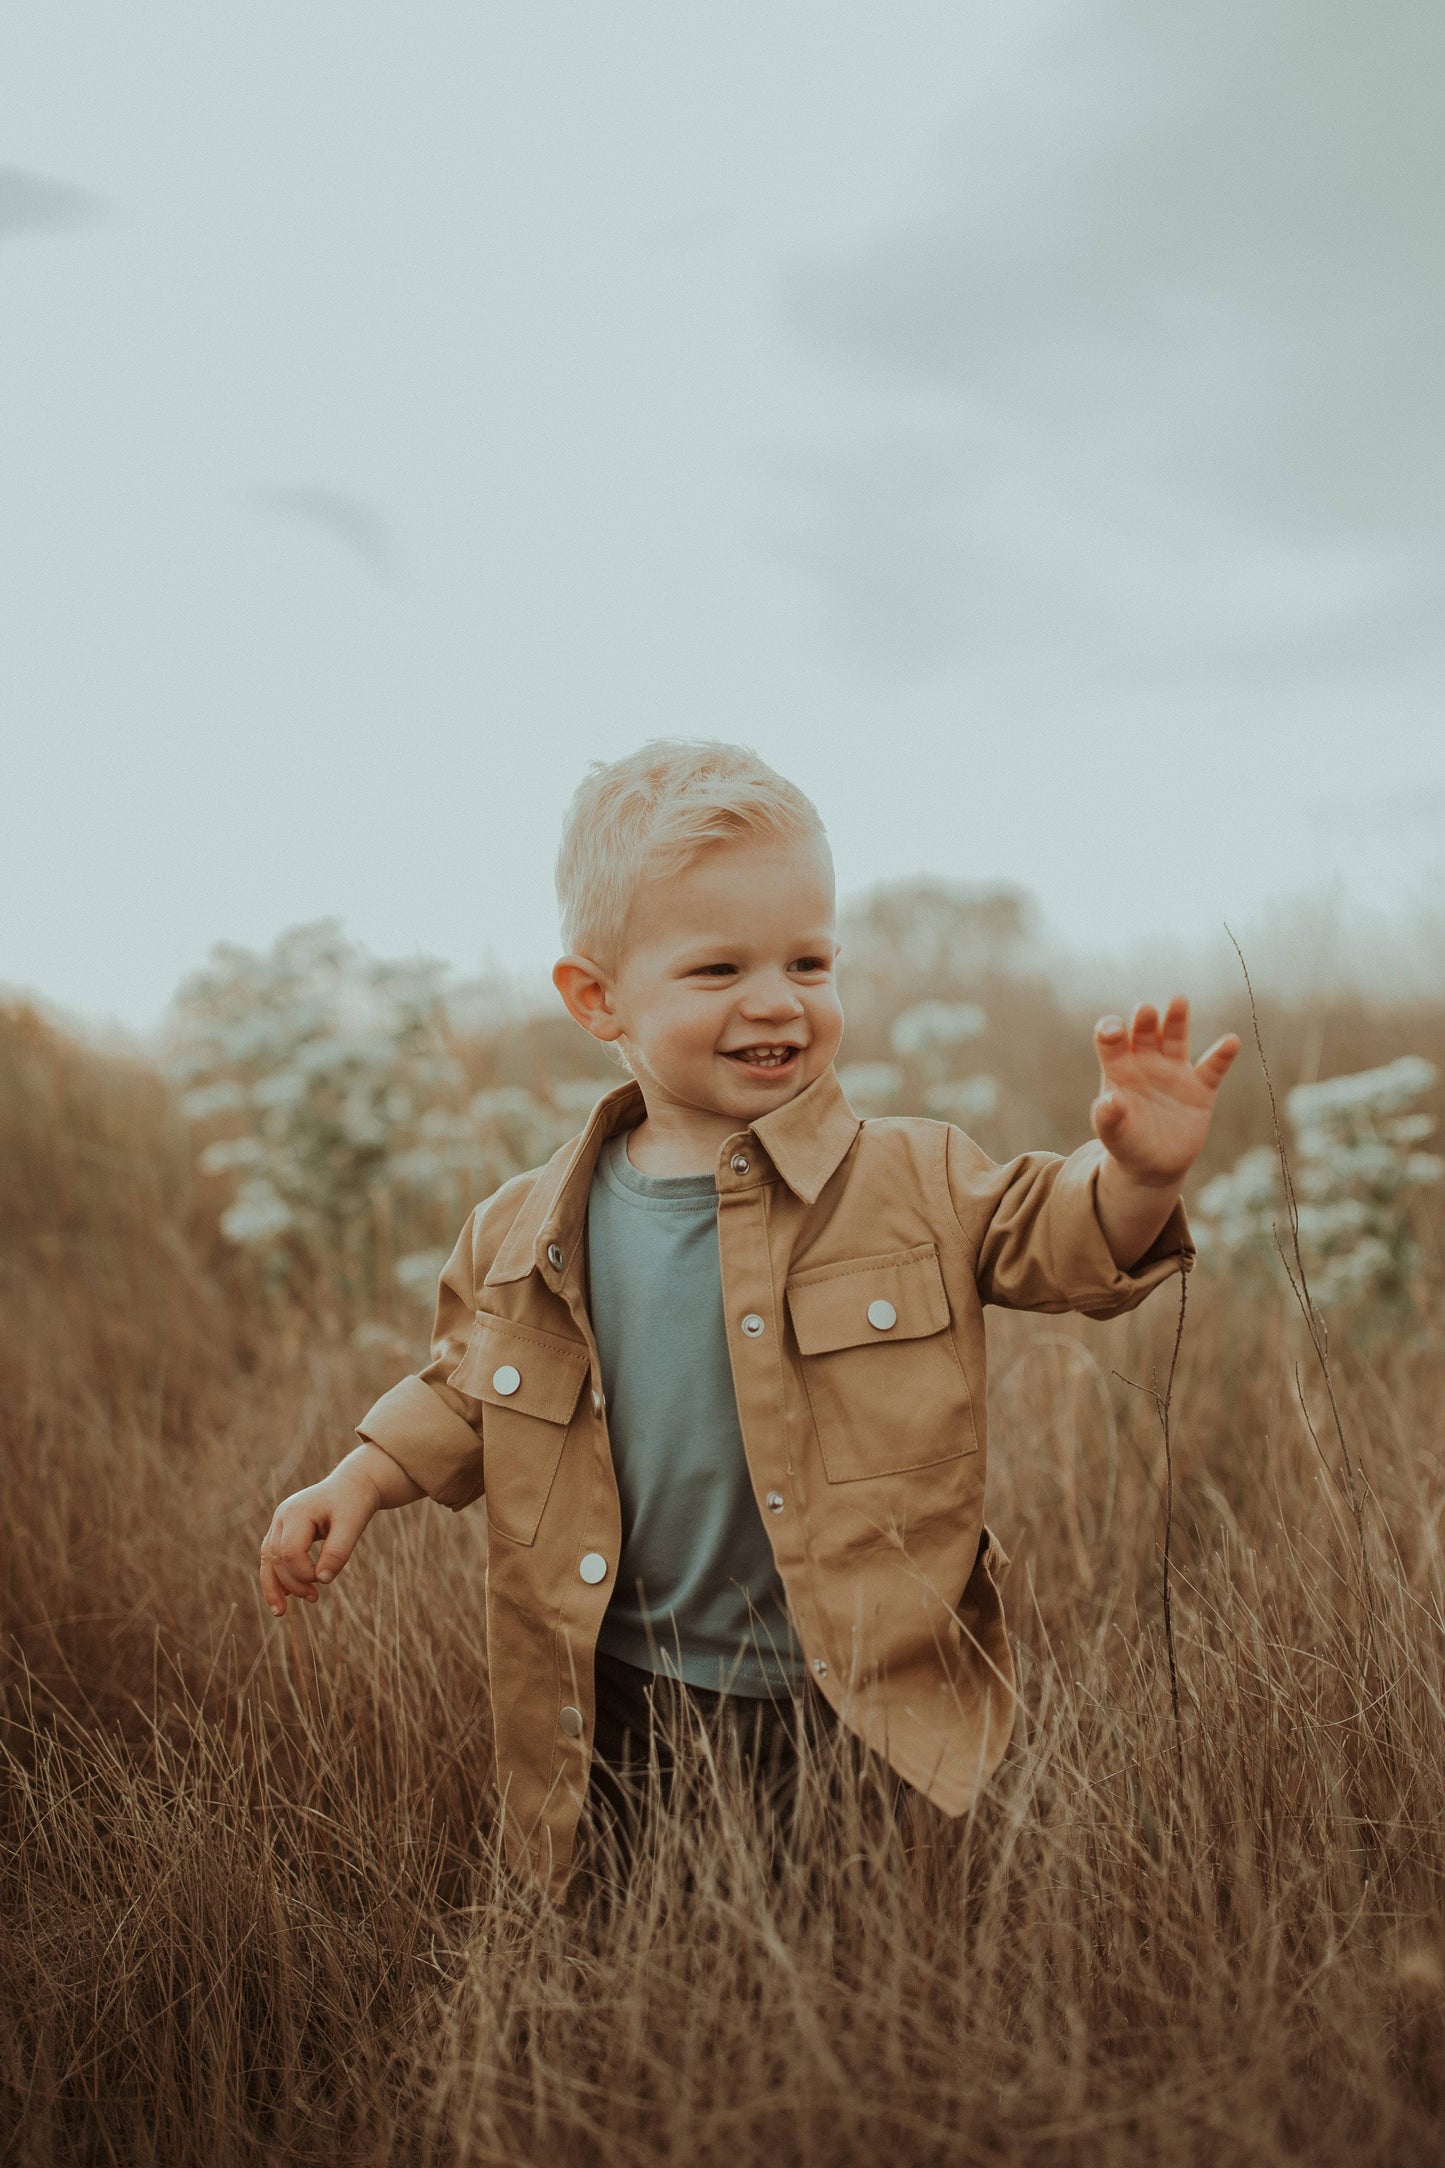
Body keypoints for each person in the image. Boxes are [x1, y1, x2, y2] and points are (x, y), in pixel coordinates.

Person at [257, 740, 1240, 1901]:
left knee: (850, 1961)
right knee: (632, 1952)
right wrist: (359, 1479)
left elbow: (1063, 1238)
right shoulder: (523, 1228)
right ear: (596, 997)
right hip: (619, 1693)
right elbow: (467, 1387)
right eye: (717, 969)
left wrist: (1137, 1175)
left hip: (854, 1699)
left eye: (808, 960)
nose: (776, 999)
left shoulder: (912, 1178)